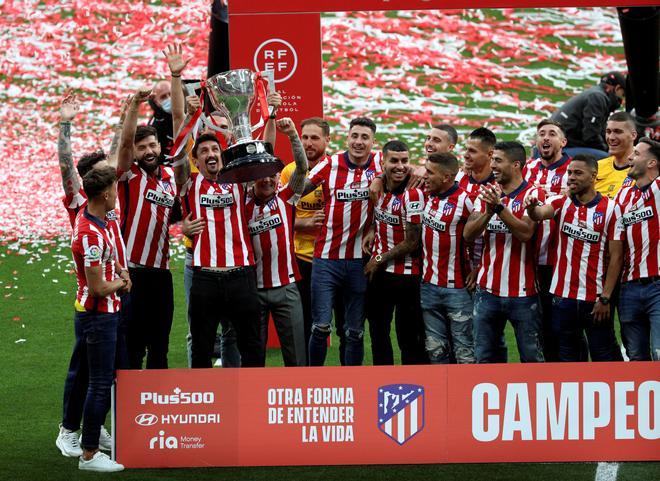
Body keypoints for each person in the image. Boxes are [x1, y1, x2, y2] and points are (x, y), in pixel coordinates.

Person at [59, 166, 128, 472]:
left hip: (102, 314)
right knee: (99, 383)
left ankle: (90, 437)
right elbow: (97, 287)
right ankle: (89, 453)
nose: (117, 194)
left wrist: (120, 271)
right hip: (99, 317)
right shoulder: (90, 234)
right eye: (114, 189)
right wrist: (122, 283)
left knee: (99, 380)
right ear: (104, 194)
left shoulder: (97, 222)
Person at [299, 117, 383, 366]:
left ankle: (352, 383)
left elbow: (410, 171)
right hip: (326, 260)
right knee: (320, 327)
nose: (358, 142)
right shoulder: (330, 164)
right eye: (354, 136)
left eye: (364, 137)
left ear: (373, 142)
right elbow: (295, 191)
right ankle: (314, 382)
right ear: (347, 138)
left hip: (359, 262)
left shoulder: (381, 163)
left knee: (355, 331)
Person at [525, 154, 624, 362]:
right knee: (567, 357)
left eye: (578, 173)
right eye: (569, 173)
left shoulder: (610, 208)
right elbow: (540, 214)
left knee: (602, 355)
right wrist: (532, 207)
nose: (571, 177)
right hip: (562, 298)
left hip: (595, 298)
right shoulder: (561, 201)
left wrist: (605, 297)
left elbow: (616, 256)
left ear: (593, 176)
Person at [464, 141, 545, 363]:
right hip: (487, 291)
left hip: (523, 292)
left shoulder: (533, 194)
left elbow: (526, 233)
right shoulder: (490, 193)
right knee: (485, 357)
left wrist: (499, 209)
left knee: (531, 357)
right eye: (492, 160)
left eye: (498, 161)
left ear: (516, 164)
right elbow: (468, 235)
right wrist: (488, 213)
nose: (493, 166)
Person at [117, 86, 178, 369]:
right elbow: (125, 143)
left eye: (152, 145)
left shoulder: (169, 177)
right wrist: (134, 107)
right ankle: (131, 410)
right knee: (133, 345)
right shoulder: (130, 174)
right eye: (142, 148)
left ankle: (159, 408)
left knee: (160, 345)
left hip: (161, 274)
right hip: (133, 273)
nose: (149, 151)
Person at [279, 117, 347, 364]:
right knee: (308, 323)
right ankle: (308, 376)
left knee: (346, 327)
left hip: (335, 257)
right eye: (304, 137)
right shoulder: (289, 172)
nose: (308, 143)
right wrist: (302, 223)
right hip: (302, 259)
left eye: (314, 138)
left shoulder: (339, 170)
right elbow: (278, 214)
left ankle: (350, 375)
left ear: (327, 140)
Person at [245, 118, 309, 366]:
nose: (269, 180)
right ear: (253, 179)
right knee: (254, 358)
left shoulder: (286, 197)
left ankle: (299, 401)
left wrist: (293, 135)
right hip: (254, 290)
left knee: (296, 357)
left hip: (287, 287)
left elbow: (302, 169)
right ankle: (254, 401)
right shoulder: (242, 204)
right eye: (262, 176)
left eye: (272, 175)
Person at [362, 140, 427, 365]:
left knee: (408, 338)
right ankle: (382, 382)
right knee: (378, 334)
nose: (400, 166)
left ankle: (414, 387)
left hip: (407, 277)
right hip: (380, 275)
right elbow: (379, 215)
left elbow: (412, 242)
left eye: (404, 161)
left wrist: (378, 259)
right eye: (394, 161)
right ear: (383, 163)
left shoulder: (414, 193)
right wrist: (371, 229)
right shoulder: (377, 186)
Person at [523, 119, 572, 361]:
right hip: (530, 260)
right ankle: (544, 375)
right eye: (541, 133)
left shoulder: (573, 170)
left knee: (562, 326)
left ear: (563, 142)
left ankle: (571, 372)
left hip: (561, 260)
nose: (545, 138)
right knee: (536, 325)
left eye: (552, 134)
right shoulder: (527, 169)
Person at [419, 152, 475, 364]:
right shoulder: (426, 194)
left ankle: (466, 395)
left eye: (430, 172)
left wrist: (478, 268)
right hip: (428, 285)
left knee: (464, 351)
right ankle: (441, 396)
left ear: (446, 177)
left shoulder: (466, 201)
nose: (425, 176)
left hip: (457, 289)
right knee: (435, 350)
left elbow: (483, 237)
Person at [615, 137, 660, 360]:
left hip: (657, 284)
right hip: (628, 287)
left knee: (659, 352)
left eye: (637, 154)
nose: (630, 157)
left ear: (652, 163)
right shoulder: (623, 195)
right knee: (635, 358)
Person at [551, 71, 626, 158]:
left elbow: (598, 132)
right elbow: (591, 136)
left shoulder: (595, 94)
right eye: (623, 94)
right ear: (617, 88)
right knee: (610, 159)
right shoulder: (597, 97)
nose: (622, 99)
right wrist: (609, 150)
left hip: (560, 146)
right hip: (558, 150)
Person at [595, 111, 638, 199]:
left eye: (618, 132)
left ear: (633, 135)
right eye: (608, 131)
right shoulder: (597, 166)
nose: (611, 137)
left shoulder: (642, 170)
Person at [148, 80, 173, 161]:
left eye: (171, 94)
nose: (169, 99)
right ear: (156, 101)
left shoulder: (189, 111)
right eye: (163, 97)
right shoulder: (154, 126)